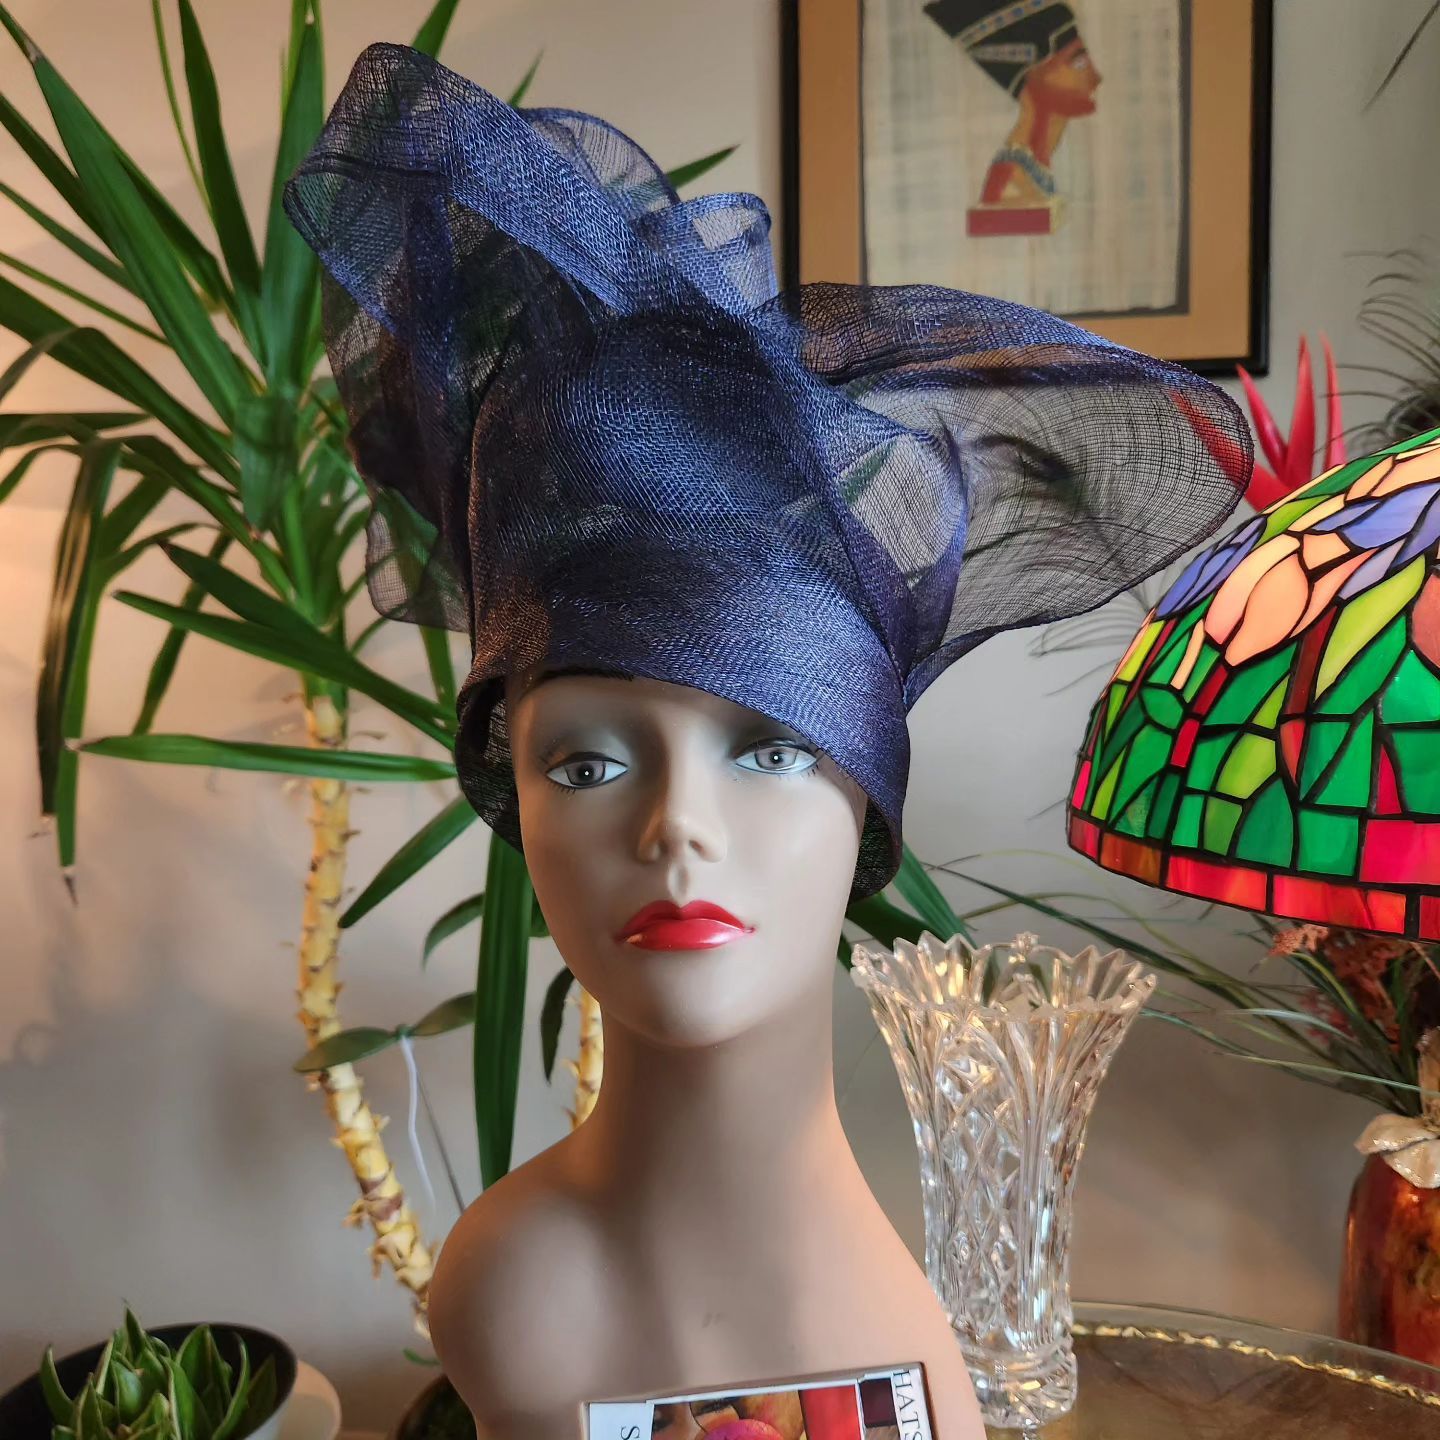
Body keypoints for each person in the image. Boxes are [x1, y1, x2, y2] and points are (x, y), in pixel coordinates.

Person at [284, 40, 1248, 1440]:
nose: (675, 827)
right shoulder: (505, 1287)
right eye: (588, 763)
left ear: (868, 805)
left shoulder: (882, 1354)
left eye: (771, 748)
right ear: (512, 791)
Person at [924, 0, 1101, 231]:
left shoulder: (1034, 168)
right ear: (1034, 75)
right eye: (1078, 63)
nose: (1095, 77)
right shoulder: (1011, 181)